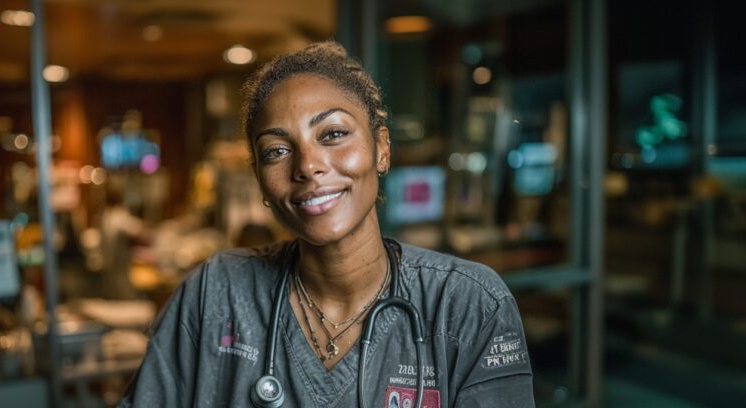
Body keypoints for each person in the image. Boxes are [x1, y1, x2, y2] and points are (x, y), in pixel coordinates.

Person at [120, 41, 533, 407]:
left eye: (333, 134)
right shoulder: (215, 293)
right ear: (261, 179)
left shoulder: (467, 305)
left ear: (382, 150)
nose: (308, 166)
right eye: (277, 151)